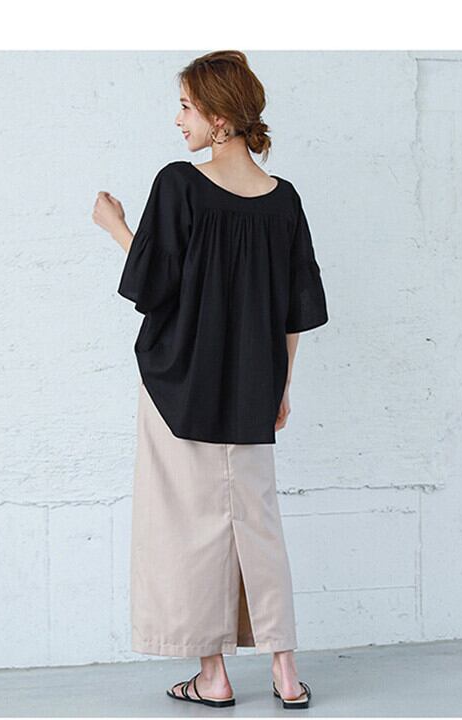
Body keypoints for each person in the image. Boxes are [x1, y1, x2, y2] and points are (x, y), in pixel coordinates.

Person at [92, 50, 327, 710]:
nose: (179, 121)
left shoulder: (179, 184)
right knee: (258, 522)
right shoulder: (284, 200)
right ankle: (285, 671)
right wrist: (281, 387)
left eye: (187, 107)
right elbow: (296, 309)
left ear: (220, 119)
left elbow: (155, 285)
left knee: (187, 527)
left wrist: (116, 228)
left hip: (179, 386)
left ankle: (213, 676)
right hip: (254, 389)